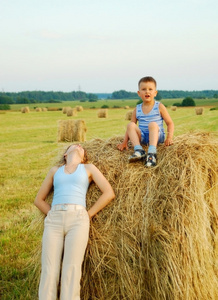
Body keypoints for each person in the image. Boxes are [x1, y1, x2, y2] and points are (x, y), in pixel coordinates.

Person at [34, 144, 115, 300]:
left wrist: (88, 214)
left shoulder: (88, 168)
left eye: (81, 147)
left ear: (83, 156)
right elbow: (39, 200)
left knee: (72, 269)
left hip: (78, 221)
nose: (79, 146)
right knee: (49, 270)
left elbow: (108, 192)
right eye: (74, 145)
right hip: (54, 221)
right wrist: (51, 214)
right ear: (65, 154)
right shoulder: (55, 171)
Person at [117, 76, 174, 167]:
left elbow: (170, 123)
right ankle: (139, 150)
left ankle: (152, 153)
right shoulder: (137, 109)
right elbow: (131, 128)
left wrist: (169, 137)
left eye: (150, 89)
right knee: (130, 124)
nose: (147, 91)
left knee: (152, 124)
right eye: (144, 89)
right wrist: (125, 142)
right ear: (139, 93)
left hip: (157, 136)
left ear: (155, 93)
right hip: (143, 137)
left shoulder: (159, 106)